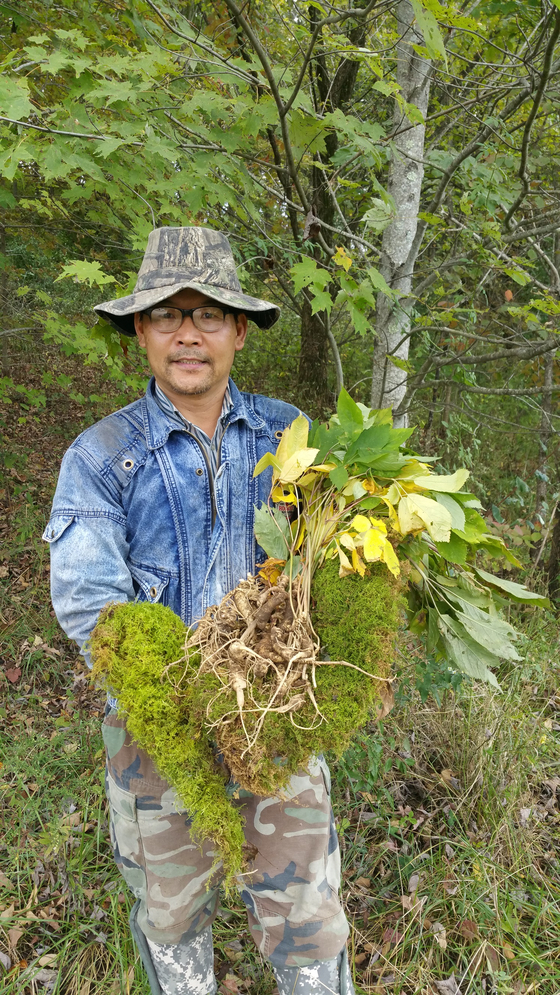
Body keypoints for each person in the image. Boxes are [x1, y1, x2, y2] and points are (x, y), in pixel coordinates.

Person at [44, 227, 355, 995]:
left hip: (281, 730)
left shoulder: (293, 440)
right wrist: (183, 701)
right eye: (166, 314)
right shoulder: (101, 456)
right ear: (141, 332)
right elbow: (91, 602)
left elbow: (347, 565)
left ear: (239, 330)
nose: (188, 333)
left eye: (209, 314)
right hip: (158, 745)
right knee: (173, 926)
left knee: (308, 925)